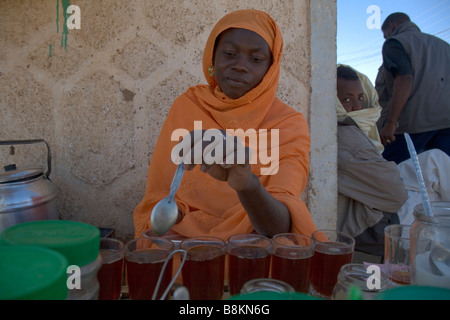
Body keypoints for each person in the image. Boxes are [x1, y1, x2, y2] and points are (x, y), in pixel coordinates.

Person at [133, 10, 318, 241]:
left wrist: (247, 185)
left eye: (256, 59)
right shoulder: (188, 107)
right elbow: (161, 198)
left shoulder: (287, 124)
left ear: (271, 70)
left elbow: (280, 227)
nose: (240, 65)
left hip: (252, 247)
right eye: (230, 53)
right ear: (212, 58)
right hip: (184, 242)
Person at [336, 65, 407, 257]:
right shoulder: (347, 135)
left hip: (376, 213)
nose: (358, 107)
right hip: (374, 228)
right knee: (437, 163)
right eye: (347, 99)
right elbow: (397, 195)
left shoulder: (352, 128)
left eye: (360, 98)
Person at [375, 12, 450, 164]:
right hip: (445, 124)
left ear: (392, 26)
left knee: (393, 175)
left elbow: (404, 78)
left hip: (411, 127)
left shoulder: (396, 43)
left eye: (385, 35)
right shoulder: (444, 46)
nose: (386, 38)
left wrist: (390, 124)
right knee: (441, 178)